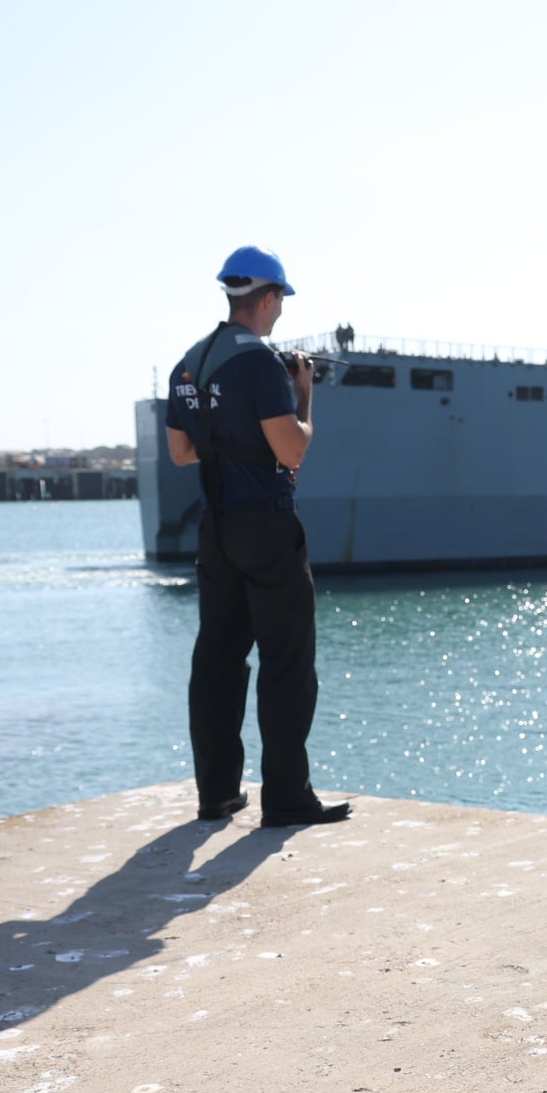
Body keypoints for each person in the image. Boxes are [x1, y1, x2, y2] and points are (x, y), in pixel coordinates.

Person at [163, 246, 352, 829]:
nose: (279, 314)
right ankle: (288, 798)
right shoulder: (261, 364)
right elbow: (292, 448)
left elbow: (181, 453)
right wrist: (304, 394)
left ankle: (217, 793)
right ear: (267, 297)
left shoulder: (189, 364)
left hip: (216, 528)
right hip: (267, 524)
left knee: (218, 658)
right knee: (287, 661)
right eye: (280, 302)